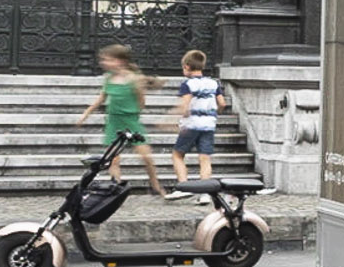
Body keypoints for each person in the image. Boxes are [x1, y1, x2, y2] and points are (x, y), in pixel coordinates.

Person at [74, 43, 166, 196]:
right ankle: (116, 186)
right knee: (113, 159)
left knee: (146, 156)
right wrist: (85, 114)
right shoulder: (109, 78)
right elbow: (101, 99)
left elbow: (141, 102)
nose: (104, 63)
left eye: (108, 60)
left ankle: (155, 184)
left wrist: (133, 112)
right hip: (114, 122)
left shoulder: (134, 79)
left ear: (120, 61)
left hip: (131, 121)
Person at [171, 50, 229, 184]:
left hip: (192, 124)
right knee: (205, 158)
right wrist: (214, 114)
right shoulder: (213, 83)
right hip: (209, 124)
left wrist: (178, 119)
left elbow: (185, 106)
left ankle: (183, 185)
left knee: (177, 155)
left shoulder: (188, 84)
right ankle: (205, 192)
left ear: (186, 66)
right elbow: (222, 103)